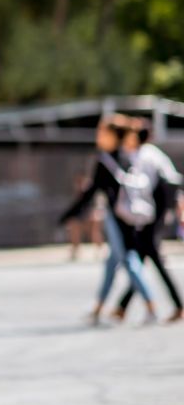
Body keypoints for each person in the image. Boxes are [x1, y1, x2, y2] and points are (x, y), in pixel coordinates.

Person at [58, 116, 158, 324]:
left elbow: (91, 192)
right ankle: (98, 308)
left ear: (113, 136)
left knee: (129, 260)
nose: (98, 137)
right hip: (130, 216)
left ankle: (151, 305)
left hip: (116, 217)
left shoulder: (105, 161)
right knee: (112, 263)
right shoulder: (128, 156)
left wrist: (69, 214)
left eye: (102, 132)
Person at [113, 120, 183, 322]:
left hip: (151, 214)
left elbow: (141, 189)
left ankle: (177, 305)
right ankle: (123, 306)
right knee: (144, 256)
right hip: (157, 212)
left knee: (149, 256)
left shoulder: (141, 156)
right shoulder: (155, 154)